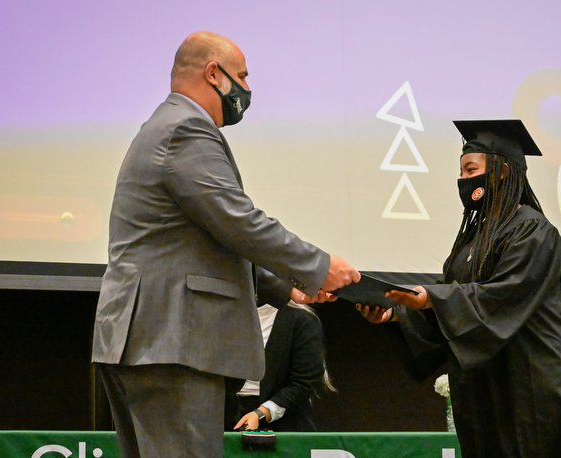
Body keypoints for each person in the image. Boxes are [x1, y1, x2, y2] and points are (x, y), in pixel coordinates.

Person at [91, 31, 360, 458]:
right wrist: (318, 265)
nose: (248, 90)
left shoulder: (163, 125)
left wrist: (285, 288)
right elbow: (239, 222)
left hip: (150, 341)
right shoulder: (185, 129)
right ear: (213, 74)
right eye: (243, 77)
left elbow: (200, 239)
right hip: (171, 341)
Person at [358, 120, 561, 457]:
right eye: (461, 171)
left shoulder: (535, 232)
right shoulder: (474, 238)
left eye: (470, 169)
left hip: (533, 382)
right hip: (490, 385)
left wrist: (432, 299)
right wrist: (394, 313)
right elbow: (452, 304)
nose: (463, 180)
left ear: (502, 171)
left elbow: (500, 296)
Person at [225, 301, 334, 432]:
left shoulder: (303, 320)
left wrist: (261, 413)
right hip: (226, 419)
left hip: (284, 426)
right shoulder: (222, 314)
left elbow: (304, 383)